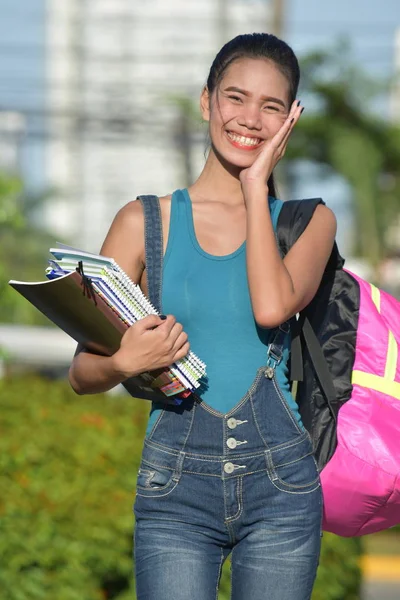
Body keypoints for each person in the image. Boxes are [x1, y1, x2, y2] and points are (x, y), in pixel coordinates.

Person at [69, 32, 336, 600]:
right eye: (235, 97)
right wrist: (124, 361)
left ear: (290, 120)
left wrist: (255, 186)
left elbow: (270, 306)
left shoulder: (309, 222)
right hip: (175, 490)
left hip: (281, 487)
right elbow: (81, 374)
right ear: (206, 101)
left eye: (271, 106)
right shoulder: (143, 223)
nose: (250, 118)